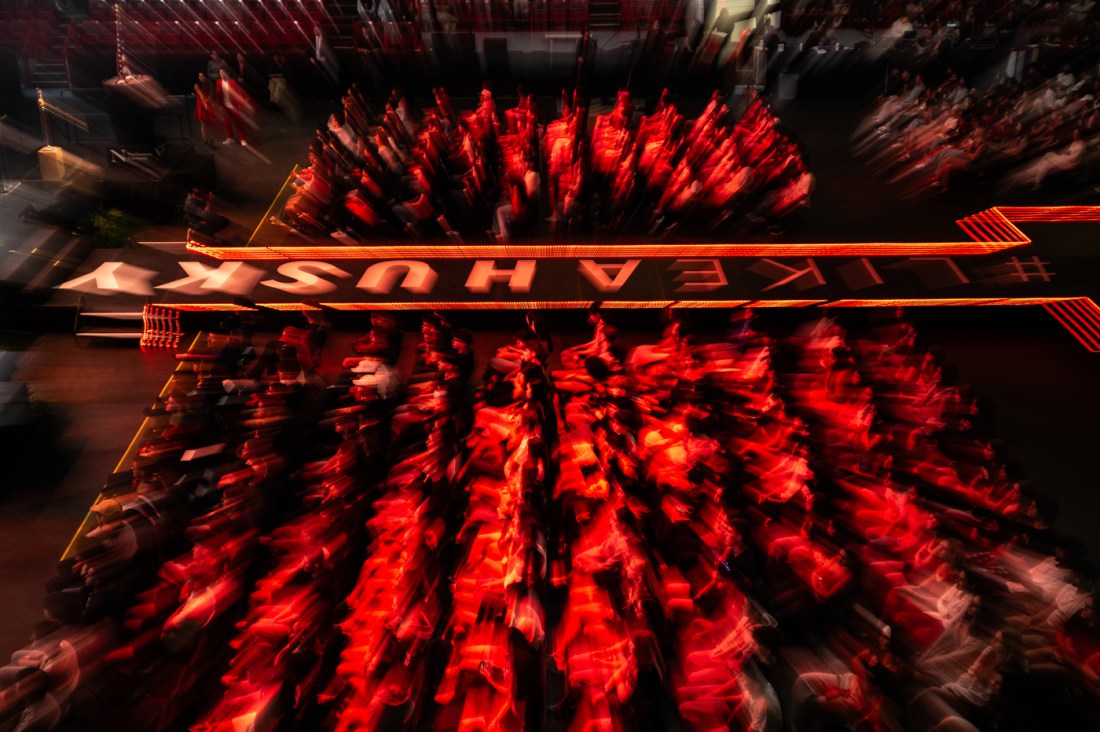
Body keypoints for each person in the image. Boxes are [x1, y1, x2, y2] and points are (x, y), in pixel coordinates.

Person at [216, 68, 255, 146]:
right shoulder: (218, 82)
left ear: (227, 73)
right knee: (227, 122)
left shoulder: (232, 82)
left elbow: (239, 92)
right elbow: (218, 95)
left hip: (234, 106)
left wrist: (243, 101)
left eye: (223, 72)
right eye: (220, 72)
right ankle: (230, 138)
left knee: (238, 122)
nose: (221, 74)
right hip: (225, 106)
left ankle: (242, 138)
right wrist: (221, 106)